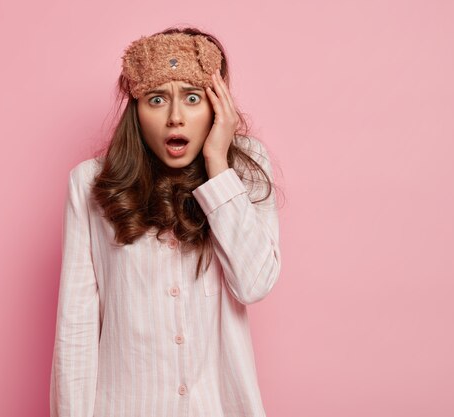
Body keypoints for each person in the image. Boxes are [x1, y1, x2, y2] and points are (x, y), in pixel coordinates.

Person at [50, 26, 282, 417]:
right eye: (157, 99)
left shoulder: (243, 172)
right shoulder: (89, 185)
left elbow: (254, 284)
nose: (175, 117)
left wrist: (218, 165)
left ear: (216, 106)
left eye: (193, 98)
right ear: (136, 111)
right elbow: (76, 329)